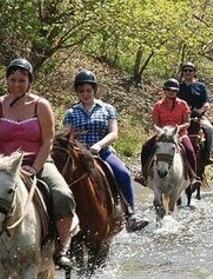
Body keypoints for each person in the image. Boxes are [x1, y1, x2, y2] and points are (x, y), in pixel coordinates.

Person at [0, 58, 75, 269]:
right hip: (2, 165)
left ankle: (62, 247)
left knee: (63, 195)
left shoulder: (41, 105)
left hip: (37, 161)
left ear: (29, 81)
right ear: (7, 80)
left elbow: (48, 140)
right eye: (12, 80)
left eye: (21, 80)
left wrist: (35, 167)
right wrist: (2, 166)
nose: (16, 84)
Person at [62, 70, 148, 233]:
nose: (85, 94)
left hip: (103, 152)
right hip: (80, 155)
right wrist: (79, 147)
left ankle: (131, 215)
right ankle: (59, 218)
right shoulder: (71, 113)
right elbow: (67, 136)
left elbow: (113, 133)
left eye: (88, 90)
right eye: (81, 91)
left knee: (123, 173)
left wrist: (99, 146)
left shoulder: (107, 109)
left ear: (94, 90)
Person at [137, 78, 201, 188]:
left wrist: (177, 128)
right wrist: (163, 131)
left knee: (190, 151)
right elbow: (156, 123)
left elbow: (187, 123)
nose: (171, 92)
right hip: (162, 134)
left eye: (174, 90)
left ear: (177, 92)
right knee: (146, 147)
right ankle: (143, 174)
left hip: (179, 134)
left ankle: (193, 177)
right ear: (165, 90)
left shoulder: (183, 105)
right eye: (169, 90)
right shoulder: (158, 105)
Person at [177, 61, 213, 165]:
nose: (187, 72)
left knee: (210, 129)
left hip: (197, 116)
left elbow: (206, 103)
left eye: (190, 70)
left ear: (194, 72)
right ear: (182, 73)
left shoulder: (200, 86)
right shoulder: (178, 87)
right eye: (185, 70)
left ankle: (210, 154)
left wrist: (200, 111)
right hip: (181, 117)